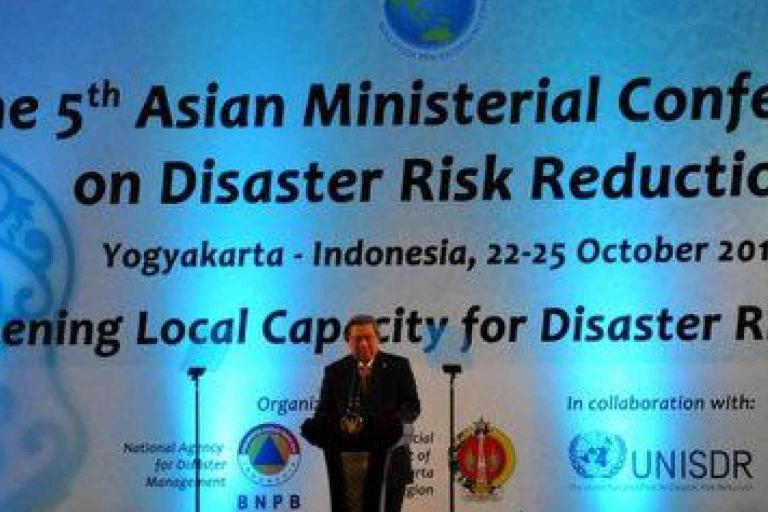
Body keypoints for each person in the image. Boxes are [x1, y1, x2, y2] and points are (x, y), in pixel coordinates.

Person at [302, 314, 421, 512]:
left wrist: (390, 424)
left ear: (378, 339)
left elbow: (412, 406)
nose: (364, 343)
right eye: (357, 339)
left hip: (390, 463)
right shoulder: (336, 371)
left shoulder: (398, 366)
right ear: (348, 342)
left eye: (369, 337)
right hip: (348, 466)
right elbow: (324, 412)